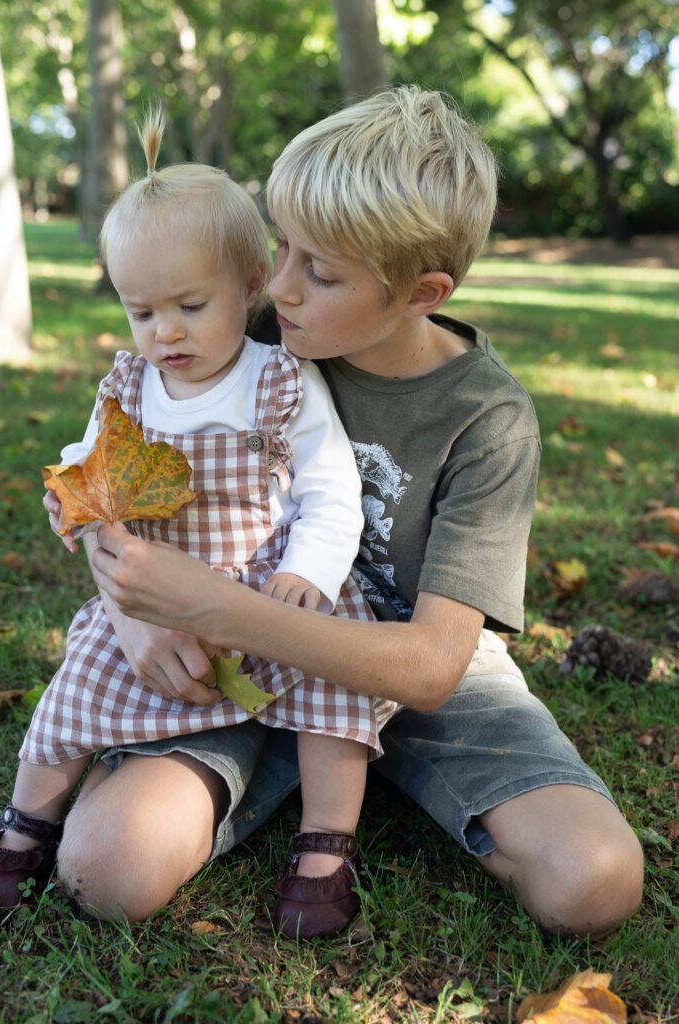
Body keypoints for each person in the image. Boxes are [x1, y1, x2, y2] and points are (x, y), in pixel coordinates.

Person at [55, 85, 644, 937]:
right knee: (104, 871)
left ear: (420, 291)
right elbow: (107, 477)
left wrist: (217, 605)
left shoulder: (488, 420)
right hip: (228, 662)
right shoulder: (239, 332)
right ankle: (270, 758)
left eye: (319, 272)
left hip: (402, 666)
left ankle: (350, 769)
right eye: (282, 248)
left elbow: (433, 667)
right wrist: (136, 613)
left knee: (591, 882)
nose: (279, 287)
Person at [0, 110, 400, 938]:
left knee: (336, 690)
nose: (164, 332)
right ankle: (27, 823)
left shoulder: (282, 383)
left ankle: (325, 845)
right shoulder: (127, 389)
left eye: (190, 306)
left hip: (271, 592)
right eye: (141, 311)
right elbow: (89, 470)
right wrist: (79, 506)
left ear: (248, 287)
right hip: (157, 599)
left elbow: (331, 489)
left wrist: (307, 571)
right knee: (77, 687)